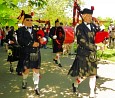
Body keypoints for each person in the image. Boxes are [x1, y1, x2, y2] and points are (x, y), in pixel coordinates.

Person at [68, 8, 97, 98]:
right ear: (83, 16)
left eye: (90, 16)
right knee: (84, 75)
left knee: (93, 74)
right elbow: (81, 41)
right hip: (83, 53)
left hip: (92, 54)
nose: (90, 17)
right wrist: (94, 47)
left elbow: (96, 37)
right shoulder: (79, 27)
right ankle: (76, 84)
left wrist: (102, 41)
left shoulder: (93, 26)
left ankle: (92, 93)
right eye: (88, 16)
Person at [17, 13, 41, 95]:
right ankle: (24, 81)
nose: (30, 21)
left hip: (35, 52)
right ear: (23, 21)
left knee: (36, 70)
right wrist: (31, 43)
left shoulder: (36, 30)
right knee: (26, 70)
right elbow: (20, 41)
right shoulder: (20, 30)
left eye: (31, 20)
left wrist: (41, 42)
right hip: (26, 53)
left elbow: (39, 40)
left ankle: (36, 86)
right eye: (27, 20)